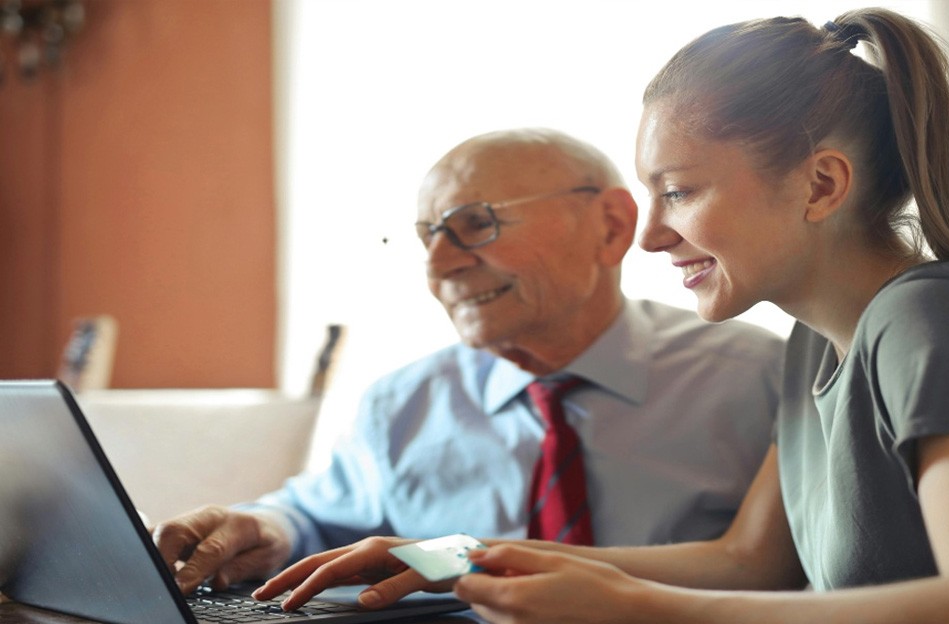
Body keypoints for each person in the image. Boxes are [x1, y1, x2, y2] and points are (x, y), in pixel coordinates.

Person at [253, 8, 949, 624]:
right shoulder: (818, 344)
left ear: (820, 186)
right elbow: (751, 562)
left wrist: (630, 617)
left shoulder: (931, 317)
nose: (650, 237)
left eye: (681, 190)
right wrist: (452, 555)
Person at [152, 128, 785, 596]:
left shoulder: (763, 380)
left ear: (611, 227)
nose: (438, 265)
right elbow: (316, 516)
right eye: (429, 236)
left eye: (474, 225)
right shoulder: (402, 402)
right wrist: (261, 529)